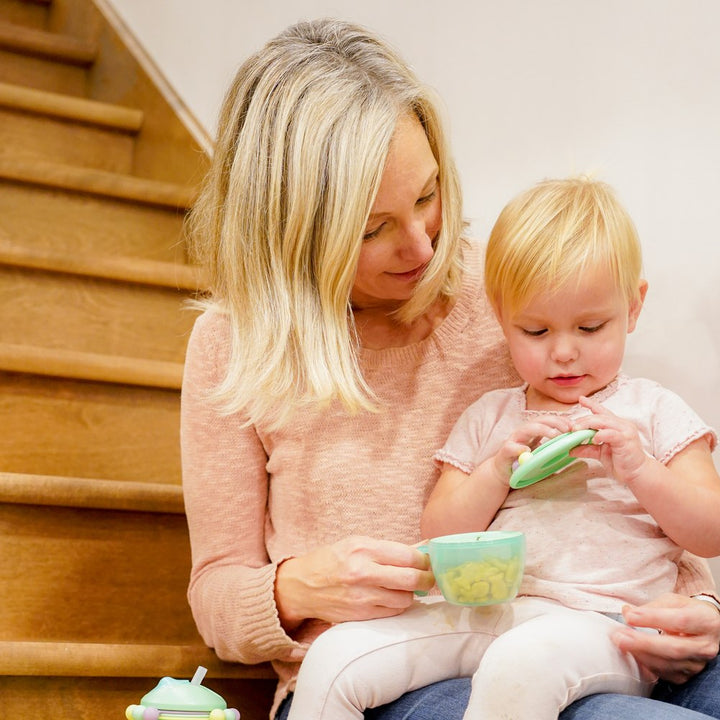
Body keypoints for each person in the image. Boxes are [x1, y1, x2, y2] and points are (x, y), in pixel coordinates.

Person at [180, 17, 720, 720]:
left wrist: (703, 603)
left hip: (592, 622)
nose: (420, 245)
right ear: (295, 228)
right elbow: (218, 593)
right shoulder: (233, 343)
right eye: (371, 228)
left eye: (428, 197)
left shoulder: (516, 292)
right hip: (390, 667)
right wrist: (299, 587)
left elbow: (644, 498)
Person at [283, 177, 720, 720]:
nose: (563, 353)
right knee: (335, 657)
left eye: (590, 326)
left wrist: (641, 469)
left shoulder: (653, 410)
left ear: (633, 307)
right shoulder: (491, 415)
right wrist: (495, 472)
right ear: (500, 315)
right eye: (535, 331)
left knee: (520, 665)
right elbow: (438, 534)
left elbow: (711, 531)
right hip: (487, 609)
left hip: (605, 623)